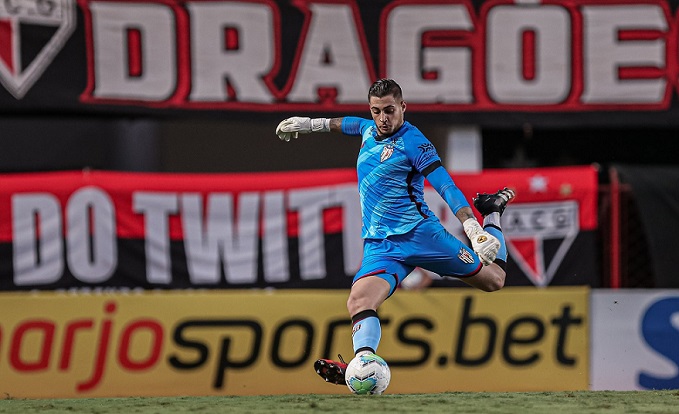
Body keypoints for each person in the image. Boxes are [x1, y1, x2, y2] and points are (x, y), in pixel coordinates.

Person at [275, 78, 515, 387]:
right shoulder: (368, 130)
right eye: (376, 111)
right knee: (359, 301)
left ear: (402, 107)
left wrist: (471, 224)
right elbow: (346, 124)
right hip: (380, 245)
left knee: (494, 280)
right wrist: (310, 124)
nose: (383, 119)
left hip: (421, 236)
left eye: (390, 110)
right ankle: (363, 363)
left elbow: (444, 184)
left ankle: (493, 209)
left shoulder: (413, 141)